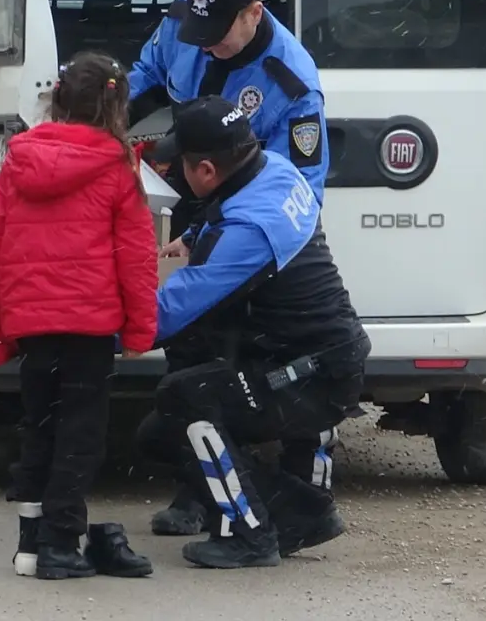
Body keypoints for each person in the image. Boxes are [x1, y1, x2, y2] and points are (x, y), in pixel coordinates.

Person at [127, 0, 335, 536]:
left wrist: (230, 246)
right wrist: (108, 127)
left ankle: (288, 499)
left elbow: (300, 187)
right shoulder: (183, 25)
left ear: (254, 14)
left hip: (251, 224)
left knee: (240, 358)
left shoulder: (289, 81)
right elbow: (145, 75)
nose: (207, 46)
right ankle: (197, 491)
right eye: (200, 34)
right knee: (186, 353)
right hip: (193, 194)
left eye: (219, 35)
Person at [136, 96, 369, 569]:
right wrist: (194, 237)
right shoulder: (276, 169)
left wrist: (93, 327)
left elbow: (167, 314)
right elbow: (228, 214)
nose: (177, 170)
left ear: (205, 170)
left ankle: (249, 535)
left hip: (311, 376)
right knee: (158, 434)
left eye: (182, 163)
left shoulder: (250, 233)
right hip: (322, 357)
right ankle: (302, 513)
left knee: (184, 397)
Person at [0, 51, 158, 581]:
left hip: (32, 324)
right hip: (89, 325)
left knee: (39, 427)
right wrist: (141, 329)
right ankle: (60, 542)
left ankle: (30, 544)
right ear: (116, 106)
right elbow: (136, 255)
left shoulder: (19, 159)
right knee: (80, 436)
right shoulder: (118, 166)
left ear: (57, 99)